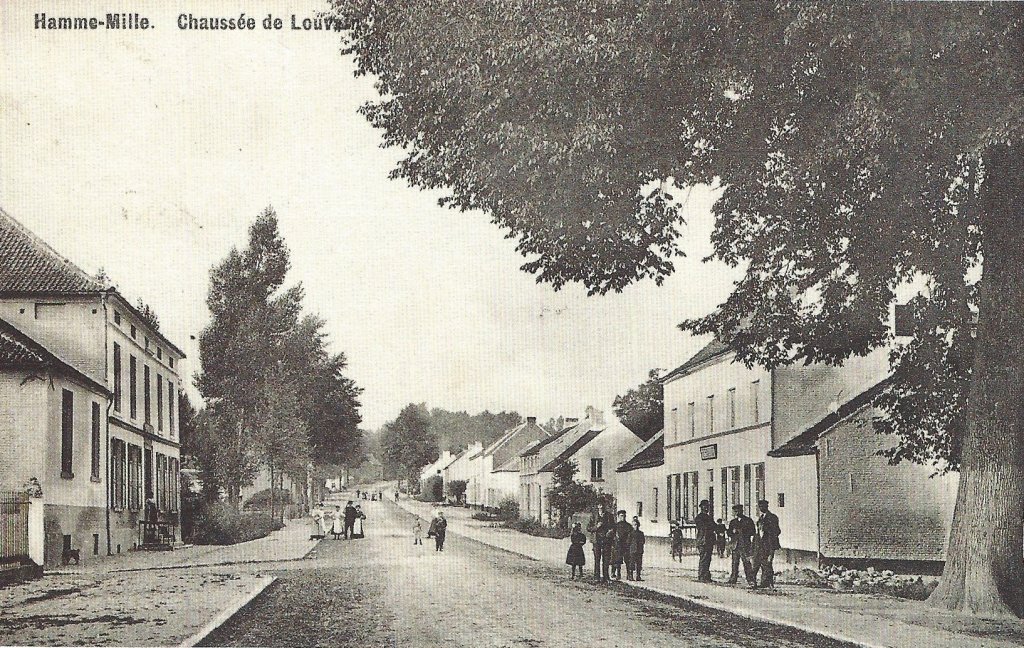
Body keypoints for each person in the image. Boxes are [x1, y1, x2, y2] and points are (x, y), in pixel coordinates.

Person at [750, 499, 781, 589]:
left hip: (768, 545)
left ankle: (769, 583)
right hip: (759, 545)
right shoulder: (760, 518)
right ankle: (757, 583)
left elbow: (777, 531)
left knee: (767, 564)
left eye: (763, 506)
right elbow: (757, 533)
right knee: (756, 564)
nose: (761, 508)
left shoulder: (772, 517)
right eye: (760, 507)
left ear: (767, 507)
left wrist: (767, 531)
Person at [726, 504, 757, 586]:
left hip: (745, 545)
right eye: (735, 511)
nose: (737, 512)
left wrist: (743, 531)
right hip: (735, 545)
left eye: (738, 511)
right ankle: (733, 579)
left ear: (742, 511)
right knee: (734, 563)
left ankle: (750, 579)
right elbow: (728, 533)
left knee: (746, 563)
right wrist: (732, 532)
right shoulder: (733, 522)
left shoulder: (748, 521)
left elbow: (753, 532)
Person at [586, 502, 615, 582]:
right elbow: (588, 528)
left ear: (605, 506)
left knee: (606, 559)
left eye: (603, 505)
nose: (601, 506)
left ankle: (606, 577)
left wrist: (610, 531)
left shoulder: (609, 516)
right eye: (600, 505)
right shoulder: (594, 516)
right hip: (596, 540)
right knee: (597, 559)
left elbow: (614, 527)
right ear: (598, 506)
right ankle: (596, 577)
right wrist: (596, 527)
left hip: (606, 540)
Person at [694, 499, 715, 583]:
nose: (706, 508)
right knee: (704, 558)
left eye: (707, 506)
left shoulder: (708, 517)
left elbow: (714, 526)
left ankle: (706, 576)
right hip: (703, 540)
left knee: (708, 558)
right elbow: (704, 527)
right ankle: (701, 576)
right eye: (705, 506)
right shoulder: (699, 517)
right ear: (701, 507)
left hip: (709, 540)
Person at [610, 510, 632, 581]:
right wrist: (613, 543)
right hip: (618, 545)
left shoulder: (629, 526)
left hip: (626, 545)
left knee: (627, 560)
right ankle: (618, 574)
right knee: (617, 560)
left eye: (624, 516)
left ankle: (629, 575)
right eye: (621, 516)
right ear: (618, 516)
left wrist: (628, 543)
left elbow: (630, 535)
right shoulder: (616, 526)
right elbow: (612, 535)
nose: (623, 517)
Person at [627, 517, 646, 581]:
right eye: (634, 525)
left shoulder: (641, 533)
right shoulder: (631, 533)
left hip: (639, 550)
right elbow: (628, 542)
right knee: (632, 563)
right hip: (632, 550)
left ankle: (638, 576)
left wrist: (640, 545)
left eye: (636, 525)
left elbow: (643, 541)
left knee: (639, 564)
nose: (635, 526)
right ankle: (630, 576)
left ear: (639, 525)